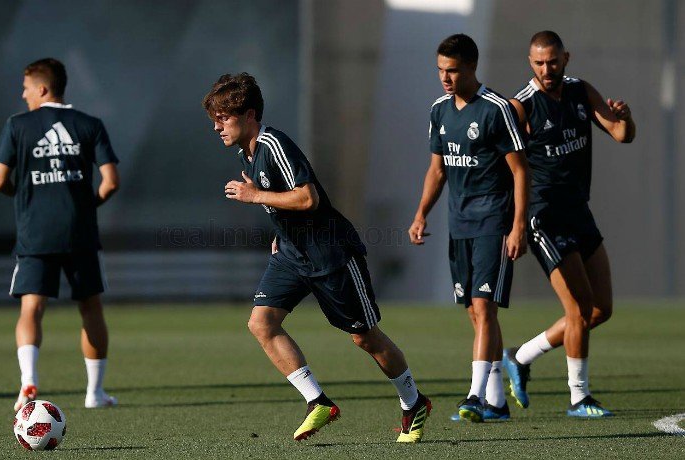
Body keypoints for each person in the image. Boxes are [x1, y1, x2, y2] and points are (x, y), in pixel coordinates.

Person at [203, 73, 431, 443]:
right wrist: (280, 234)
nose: (216, 127)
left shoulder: (274, 143)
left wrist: (255, 196)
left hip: (332, 254)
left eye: (223, 118)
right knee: (261, 323)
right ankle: (317, 402)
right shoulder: (248, 152)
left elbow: (308, 198)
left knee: (364, 338)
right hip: (293, 255)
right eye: (214, 119)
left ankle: (413, 401)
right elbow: (285, 203)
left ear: (249, 115)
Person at [504, 31, 636, 418]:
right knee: (578, 308)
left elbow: (622, 135)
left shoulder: (581, 91)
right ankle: (579, 397)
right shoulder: (522, 106)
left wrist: (626, 118)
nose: (547, 69)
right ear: (531, 63)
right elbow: (507, 168)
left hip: (580, 212)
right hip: (544, 217)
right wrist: (515, 224)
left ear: (566, 58)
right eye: (539, 63)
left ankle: (521, 356)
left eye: (554, 61)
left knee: (601, 310)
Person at [409, 34, 529, 423]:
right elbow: (437, 169)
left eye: (453, 70)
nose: (445, 77)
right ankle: (496, 402)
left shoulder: (496, 109)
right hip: (458, 224)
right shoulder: (440, 110)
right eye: (441, 69)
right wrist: (421, 213)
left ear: (472, 67)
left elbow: (519, 171)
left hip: (493, 221)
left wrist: (517, 226)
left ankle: (475, 396)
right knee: (475, 315)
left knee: (484, 306)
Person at [0, 58, 120, 411]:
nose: (23, 94)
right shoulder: (90, 124)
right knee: (90, 308)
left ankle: (28, 382)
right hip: (79, 232)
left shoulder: (17, 126)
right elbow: (111, 182)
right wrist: (86, 204)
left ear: (43, 89)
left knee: (31, 307)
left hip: (36, 233)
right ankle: (95, 393)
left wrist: (24, 195)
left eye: (26, 87)